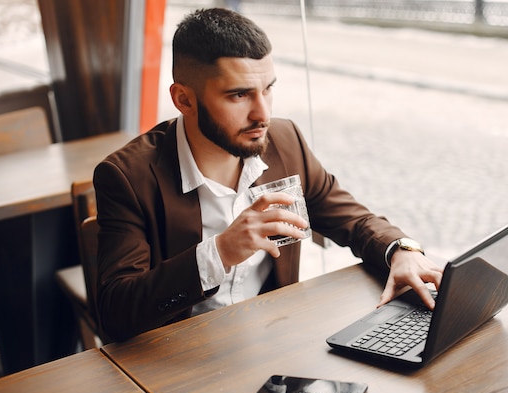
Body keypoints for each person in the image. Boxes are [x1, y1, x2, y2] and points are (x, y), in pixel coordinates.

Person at [93, 8, 442, 342]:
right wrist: (219, 252)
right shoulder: (128, 177)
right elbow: (116, 313)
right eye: (239, 95)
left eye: (268, 89)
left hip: (275, 342)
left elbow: (353, 219)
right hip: (176, 364)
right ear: (184, 100)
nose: (262, 114)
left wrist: (402, 250)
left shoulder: (285, 142)